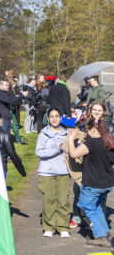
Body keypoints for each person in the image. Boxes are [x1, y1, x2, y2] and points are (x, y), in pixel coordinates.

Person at [68, 102, 114, 247]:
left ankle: (100, 236)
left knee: (87, 207)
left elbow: (74, 153)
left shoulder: (92, 143)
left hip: (93, 183)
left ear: (95, 131)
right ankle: (105, 233)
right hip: (107, 183)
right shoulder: (109, 143)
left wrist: (70, 138)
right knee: (98, 207)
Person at [35, 108, 72, 238]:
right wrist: (56, 149)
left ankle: (63, 227)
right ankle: (49, 226)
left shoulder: (67, 133)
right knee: (49, 200)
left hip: (63, 171)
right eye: (52, 116)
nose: (55, 118)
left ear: (61, 118)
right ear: (48, 118)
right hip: (47, 172)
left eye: (57, 116)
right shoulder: (43, 134)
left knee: (63, 200)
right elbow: (39, 152)